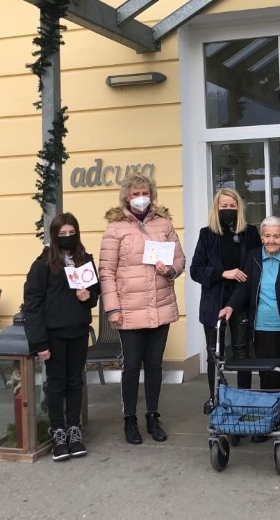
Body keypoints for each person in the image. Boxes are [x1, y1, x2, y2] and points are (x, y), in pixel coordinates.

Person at [100, 173, 185, 446]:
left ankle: (152, 416)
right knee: (132, 366)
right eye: (135, 193)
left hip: (160, 306)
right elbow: (106, 271)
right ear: (126, 196)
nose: (140, 197)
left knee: (155, 365)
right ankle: (130, 419)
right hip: (129, 309)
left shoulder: (164, 224)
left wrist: (170, 270)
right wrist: (113, 309)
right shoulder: (115, 228)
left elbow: (180, 258)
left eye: (145, 192)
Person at [218, 216, 280, 444]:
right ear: (261, 237)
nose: (272, 240)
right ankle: (273, 421)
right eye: (267, 235)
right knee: (269, 377)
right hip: (263, 326)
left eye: (276, 236)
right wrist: (230, 306)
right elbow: (244, 289)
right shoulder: (253, 257)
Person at [23, 212, 100, 462]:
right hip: (54, 335)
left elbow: (94, 294)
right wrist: (39, 342)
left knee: (75, 382)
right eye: (63, 233)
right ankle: (58, 431)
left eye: (72, 232)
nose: (68, 237)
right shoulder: (42, 264)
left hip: (78, 331)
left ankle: (73, 429)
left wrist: (88, 297)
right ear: (55, 236)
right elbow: (32, 304)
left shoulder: (84, 260)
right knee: (56, 383)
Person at [189, 188, 261, 411]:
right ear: (216, 208)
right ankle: (216, 398)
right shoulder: (207, 234)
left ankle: (243, 399)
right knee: (214, 353)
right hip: (214, 302)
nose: (228, 209)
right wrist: (223, 273)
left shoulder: (250, 233)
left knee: (242, 352)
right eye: (224, 206)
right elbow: (195, 270)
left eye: (232, 206)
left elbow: (259, 263)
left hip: (241, 301)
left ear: (239, 208)